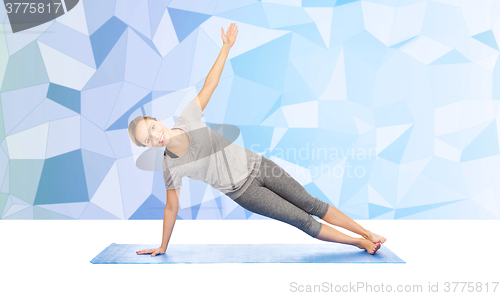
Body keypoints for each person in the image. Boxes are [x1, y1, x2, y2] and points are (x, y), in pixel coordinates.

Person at [128, 23, 386, 257]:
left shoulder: (188, 118)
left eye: (151, 127)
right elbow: (171, 207)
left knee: (311, 203)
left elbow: (210, 85)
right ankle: (359, 243)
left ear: (157, 120)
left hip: (260, 165)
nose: (154, 135)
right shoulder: (170, 166)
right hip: (245, 192)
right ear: (148, 146)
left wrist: (226, 48)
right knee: (302, 220)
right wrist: (163, 245)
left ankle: (367, 233)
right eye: (147, 139)